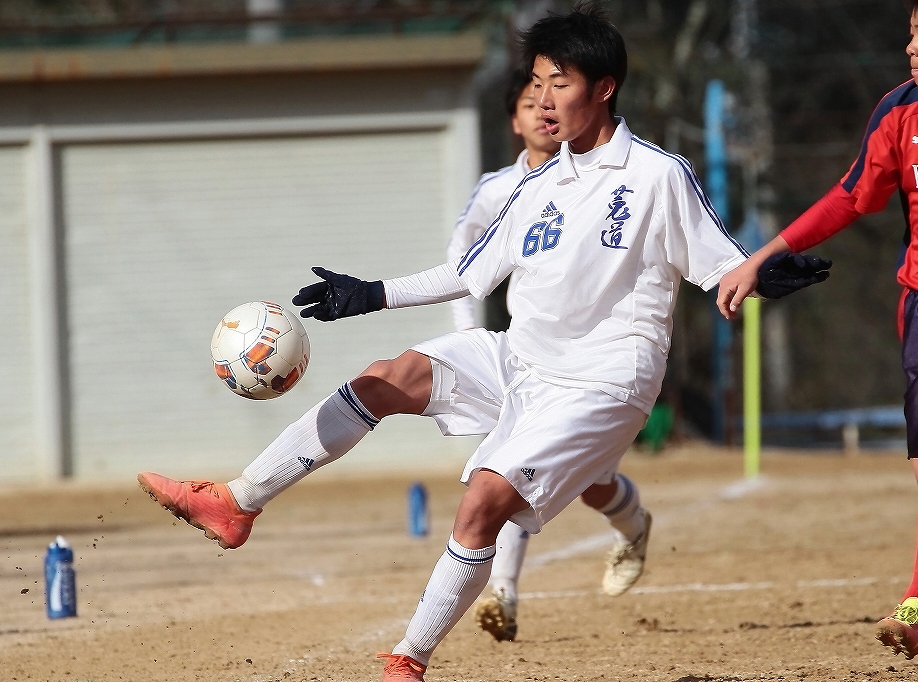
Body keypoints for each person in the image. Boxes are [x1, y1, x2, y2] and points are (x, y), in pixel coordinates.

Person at [138, 6, 772, 680]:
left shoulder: (657, 175)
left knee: (483, 502)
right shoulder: (536, 182)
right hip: (521, 359)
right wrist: (370, 293)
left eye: (560, 82)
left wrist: (769, 273)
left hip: (603, 383)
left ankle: (408, 661)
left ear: (605, 87)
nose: (545, 99)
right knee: (386, 377)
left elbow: (724, 266)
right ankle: (236, 504)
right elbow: (467, 273)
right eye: (537, 83)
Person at [718, 0, 918, 661]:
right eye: (909, 35)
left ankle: (915, 609)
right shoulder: (902, 111)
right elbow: (853, 194)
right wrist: (764, 255)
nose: (909, 48)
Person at [448, 68, 654, 644]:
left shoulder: (606, 179)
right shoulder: (498, 191)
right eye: (529, 98)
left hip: (594, 366)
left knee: (591, 483)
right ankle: (504, 592)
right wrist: (468, 334)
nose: (543, 107)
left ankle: (634, 525)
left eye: (553, 94)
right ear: (514, 121)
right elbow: (461, 261)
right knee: (508, 471)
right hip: (523, 360)